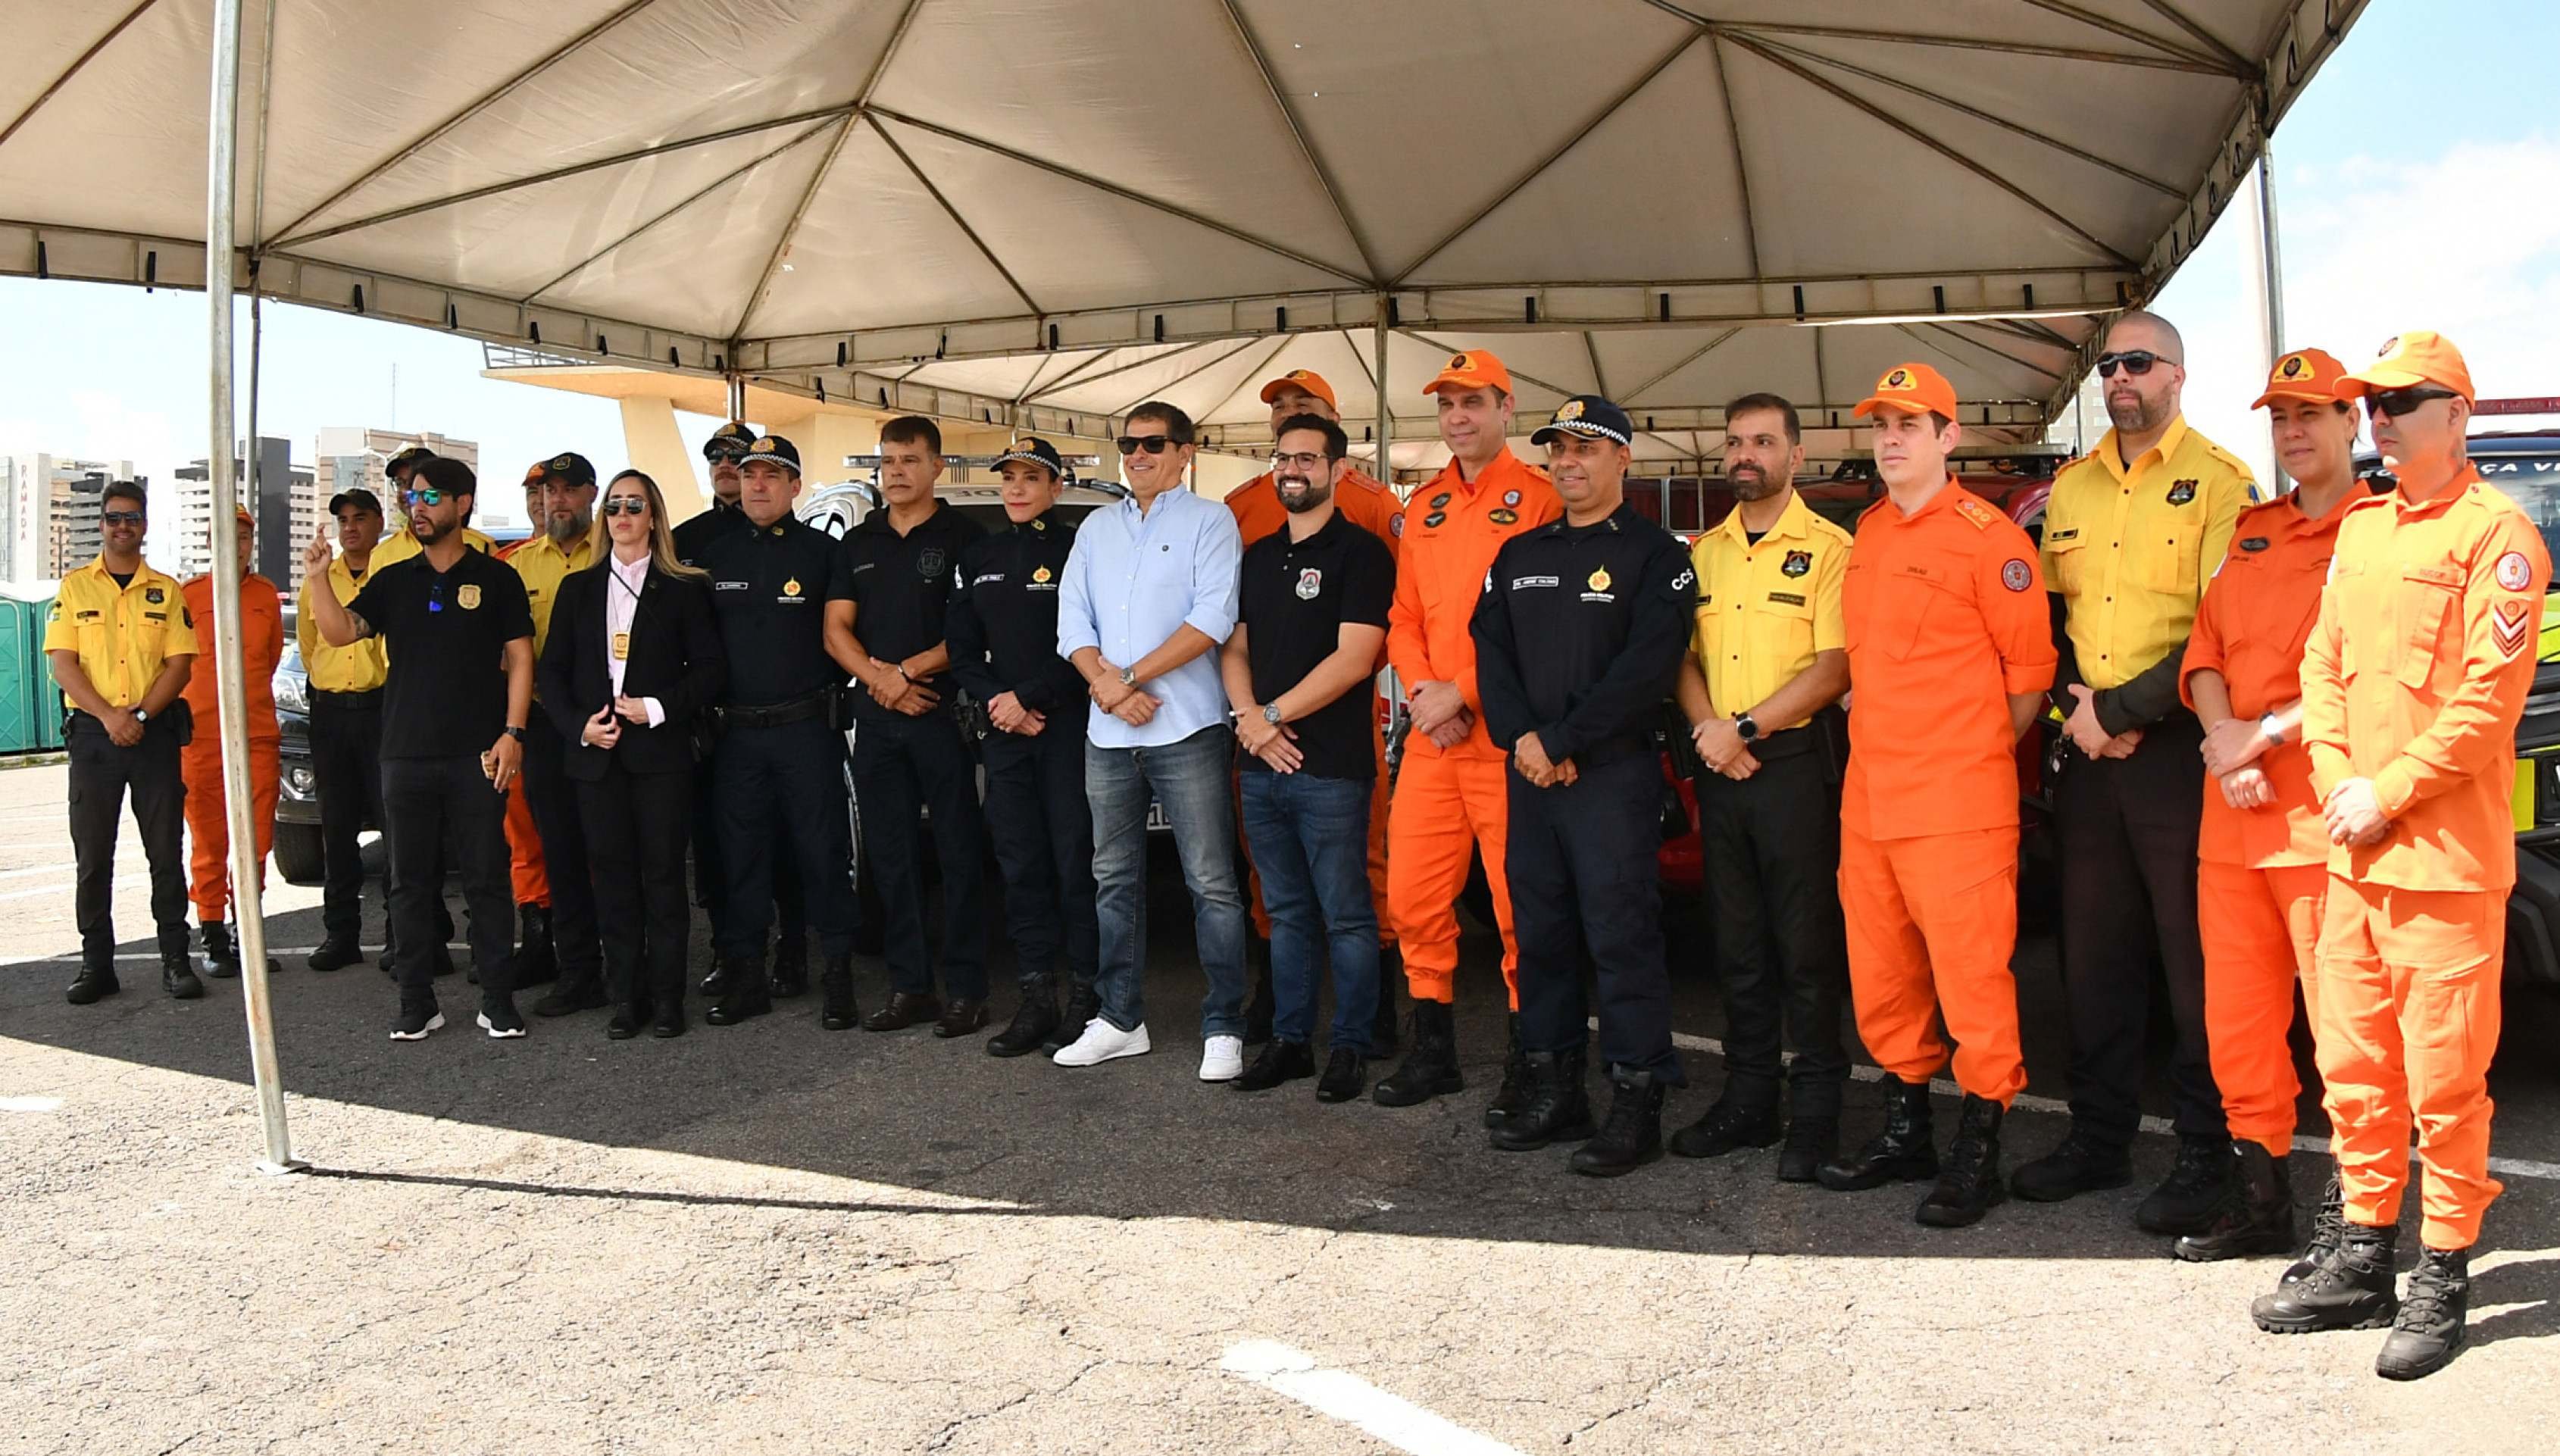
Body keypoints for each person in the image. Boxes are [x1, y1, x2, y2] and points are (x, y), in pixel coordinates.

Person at [2253, 333, 2549, 1381]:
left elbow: (2485, 704)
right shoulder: (2365, 526)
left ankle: (2443, 1272)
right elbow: (2321, 666)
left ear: (2456, 412)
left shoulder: (2497, 534)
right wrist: (2339, 777)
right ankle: (2363, 1255)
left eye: (2400, 400)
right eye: (2370, 403)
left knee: (2443, 1084)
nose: (2378, 417)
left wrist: (2383, 791)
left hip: (2441, 864)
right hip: (2353, 856)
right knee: (2353, 1072)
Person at [2015, 311, 2256, 1234]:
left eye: (2137, 362)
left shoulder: (2220, 482)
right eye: (2109, 364)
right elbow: (2047, 624)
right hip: (2087, 752)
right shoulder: (2072, 489)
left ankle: (2207, 1150)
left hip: (2175, 753)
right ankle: (2098, 1135)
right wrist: (2076, 708)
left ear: (2176, 375)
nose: (2119, 376)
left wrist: (2116, 713)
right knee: (2093, 954)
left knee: (2193, 961)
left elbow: (2219, 629)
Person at [1818, 364, 2055, 1227]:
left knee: (1972, 981)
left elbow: (2028, 679)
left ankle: (1978, 1149)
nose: (1890, 440)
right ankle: (1905, 1131)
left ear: (1947, 437)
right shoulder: (1870, 531)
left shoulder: (1991, 541)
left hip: (1956, 805)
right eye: (1881, 425)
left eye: (1909, 425)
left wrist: (1969, 754)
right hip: (1871, 797)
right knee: (1882, 974)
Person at [2168, 348, 2373, 1264]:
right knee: (2239, 1026)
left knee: (2345, 1032)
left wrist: (2260, 737)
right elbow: (2204, 649)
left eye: (2310, 415)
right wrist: (2225, 742)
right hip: (2233, 817)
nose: (2292, 433)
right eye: (2280, 418)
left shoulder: (2378, 532)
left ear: (2350, 422)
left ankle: (2358, 1218)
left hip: (2318, 821)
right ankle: (2260, 1202)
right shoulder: (2252, 530)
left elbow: (2365, 671)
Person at [1473, 397, 1696, 1175]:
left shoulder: (1656, 555)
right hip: (1531, 775)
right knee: (1541, 935)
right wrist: (1525, 742)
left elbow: (1647, 668)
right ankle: (1556, 1087)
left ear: (1622, 458)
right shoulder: (1518, 553)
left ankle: (1637, 1099)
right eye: (1558, 449)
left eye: (1586, 448)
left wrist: (1563, 740)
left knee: (1620, 936)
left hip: (1611, 776)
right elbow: (1490, 654)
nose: (1568, 462)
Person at [1668, 394, 1854, 1182]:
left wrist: (1743, 729)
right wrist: (1712, 731)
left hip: (1793, 767)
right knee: (1736, 945)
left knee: (1805, 948)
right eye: (1735, 441)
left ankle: (1815, 1112)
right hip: (1721, 764)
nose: (1746, 454)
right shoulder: (1701, 553)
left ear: (1796, 455)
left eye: (1763, 441)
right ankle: (1748, 1100)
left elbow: (1835, 666)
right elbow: (1681, 658)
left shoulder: (1832, 548)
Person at [1379, 349, 1561, 1114]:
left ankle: (1530, 1059)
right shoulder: (1422, 505)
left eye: (1473, 402)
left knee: (1520, 908)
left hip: (1505, 740)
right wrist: (1427, 693)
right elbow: (1403, 617)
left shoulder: (1541, 498)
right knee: (1413, 898)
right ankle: (1433, 1052)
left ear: (1505, 409)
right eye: (1447, 404)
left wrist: (1463, 691)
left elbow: (1542, 625)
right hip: (1434, 738)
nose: (1457, 417)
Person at [302, 457, 535, 1041]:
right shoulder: (395, 578)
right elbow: (340, 632)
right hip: (404, 753)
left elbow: (520, 658)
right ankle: (416, 1001)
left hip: (478, 754)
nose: (418, 507)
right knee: (407, 881)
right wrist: (317, 578)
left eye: (431, 497)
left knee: (486, 877)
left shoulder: (496, 577)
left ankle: (497, 999)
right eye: (412, 497)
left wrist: (513, 733)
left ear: (463, 504)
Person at [1052, 401, 1248, 1076]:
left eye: (1153, 444)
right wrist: (1106, 685)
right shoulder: (1096, 527)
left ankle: (1224, 1024)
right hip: (1107, 734)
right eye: (1128, 443)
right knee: (1113, 879)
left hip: (1187, 726)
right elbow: (1071, 619)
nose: (1137, 454)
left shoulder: (1211, 521)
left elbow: (1213, 617)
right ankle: (1119, 1019)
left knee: (1210, 881)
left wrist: (1127, 678)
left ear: (1184, 453)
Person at [1224, 368, 1406, 1057]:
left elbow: (1388, 623)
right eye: (1279, 408)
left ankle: (1372, 1014)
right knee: (1269, 879)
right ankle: (1280, 1007)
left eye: (1303, 406)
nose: (1287, 414)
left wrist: (1279, 711)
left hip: (1337, 727)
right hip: (1257, 735)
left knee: (1362, 869)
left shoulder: (1371, 507)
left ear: (1334, 430)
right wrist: (1253, 718)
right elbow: (1232, 632)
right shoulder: (1245, 507)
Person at [537, 470, 727, 1039]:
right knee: (613, 880)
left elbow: (711, 671)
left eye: (634, 505)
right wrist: (579, 727)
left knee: (663, 879)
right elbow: (552, 673)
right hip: (597, 757)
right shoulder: (578, 589)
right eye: (614, 506)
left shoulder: (685, 587)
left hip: (660, 756)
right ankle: (627, 996)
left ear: (654, 517)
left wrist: (657, 707)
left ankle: (667, 999)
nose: (622, 515)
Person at [824, 415, 992, 1036]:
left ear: (936, 467)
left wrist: (906, 672)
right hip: (877, 719)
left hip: (943, 716)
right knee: (890, 858)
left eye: (909, 460)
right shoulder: (858, 541)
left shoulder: (966, 538)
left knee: (958, 854)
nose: (896, 472)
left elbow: (974, 628)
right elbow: (835, 630)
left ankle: (967, 991)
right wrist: (881, 681)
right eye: (888, 461)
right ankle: (910, 987)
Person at [696, 434, 862, 1027]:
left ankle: (838, 975)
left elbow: (844, 637)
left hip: (805, 730)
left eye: (771, 476)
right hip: (737, 735)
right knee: (742, 860)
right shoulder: (713, 557)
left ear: (795, 487)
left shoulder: (824, 553)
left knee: (823, 856)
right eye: (749, 475)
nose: (758, 485)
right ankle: (747, 976)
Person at [946, 436, 1102, 1056]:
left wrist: (1030, 698)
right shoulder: (979, 554)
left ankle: (1088, 996)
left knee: (1075, 863)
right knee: (1020, 865)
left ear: (1055, 488)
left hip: (1065, 727)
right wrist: (1000, 703)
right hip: (1005, 731)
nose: (1016, 488)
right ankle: (1037, 996)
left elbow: (1090, 642)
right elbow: (962, 651)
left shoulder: (1078, 550)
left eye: (1031, 478)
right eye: (1009, 478)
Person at [45, 479, 201, 1004]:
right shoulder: (75, 588)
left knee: (165, 853)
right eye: (113, 517)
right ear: (101, 524)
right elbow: (63, 665)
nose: (122, 526)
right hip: (94, 735)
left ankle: (176, 961)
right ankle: (96, 965)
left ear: (144, 525)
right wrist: (110, 716)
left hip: (152, 733)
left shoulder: (167, 591)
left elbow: (179, 666)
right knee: (93, 857)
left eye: (131, 517)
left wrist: (137, 715)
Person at [510, 453, 605, 1017]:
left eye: (569, 490)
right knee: (560, 851)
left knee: (616, 850)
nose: (557, 501)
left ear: (592, 493)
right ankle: (577, 971)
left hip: (611, 722)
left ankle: (630, 963)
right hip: (547, 725)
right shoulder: (519, 566)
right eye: (549, 492)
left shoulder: (615, 552)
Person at [178, 505, 284, 980]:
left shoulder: (264, 596)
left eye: (243, 537)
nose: (235, 545)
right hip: (201, 737)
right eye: (226, 535)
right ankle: (212, 932)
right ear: (209, 542)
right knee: (209, 838)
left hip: (255, 734)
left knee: (256, 839)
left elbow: (271, 657)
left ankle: (247, 932)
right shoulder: (189, 596)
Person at [299, 486, 395, 972]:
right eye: (343, 520)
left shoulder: (393, 573)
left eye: (360, 518)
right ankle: (340, 933)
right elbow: (309, 643)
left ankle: (400, 934)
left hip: (381, 710)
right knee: (336, 828)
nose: (350, 527)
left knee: (395, 825)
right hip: (332, 713)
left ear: (380, 522)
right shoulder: (320, 578)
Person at [492, 468, 559, 989]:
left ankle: (592, 945)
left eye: (551, 491)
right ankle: (538, 941)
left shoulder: (603, 556)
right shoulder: (508, 565)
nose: (543, 501)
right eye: (534, 492)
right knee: (524, 835)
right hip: (526, 716)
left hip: (586, 719)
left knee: (591, 833)